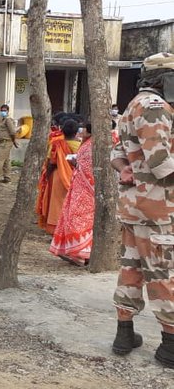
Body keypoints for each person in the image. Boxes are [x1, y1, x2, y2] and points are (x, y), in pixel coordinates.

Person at [109, 52, 174, 368]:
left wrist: (124, 168)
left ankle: (124, 334)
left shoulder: (132, 106)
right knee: (163, 272)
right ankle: (170, 346)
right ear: (164, 79)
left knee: (131, 268)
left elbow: (116, 154)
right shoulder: (155, 108)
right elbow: (161, 163)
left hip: (134, 207)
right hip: (156, 208)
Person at [49, 123, 93, 266]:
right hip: (77, 184)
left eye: (85, 129)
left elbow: (87, 167)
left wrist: (76, 164)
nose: (82, 132)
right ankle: (79, 253)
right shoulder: (86, 144)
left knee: (77, 218)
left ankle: (80, 254)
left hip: (86, 189)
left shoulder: (90, 146)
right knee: (73, 216)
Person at [36, 119, 81, 235]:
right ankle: (70, 228)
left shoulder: (56, 144)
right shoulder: (81, 146)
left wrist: (47, 176)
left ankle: (55, 228)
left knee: (56, 203)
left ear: (61, 131)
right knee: (72, 202)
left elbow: (51, 162)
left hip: (57, 176)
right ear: (76, 133)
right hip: (76, 177)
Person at [0, 104, 19, 183]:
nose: (3, 112)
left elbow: (12, 132)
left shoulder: (8, 120)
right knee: (6, 161)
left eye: (4, 110)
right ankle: (7, 178)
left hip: (5, 142)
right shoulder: (3, 120)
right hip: (3, 142)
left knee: (0, 160)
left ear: (8, 111)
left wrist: (14, 141)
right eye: (2, 110)